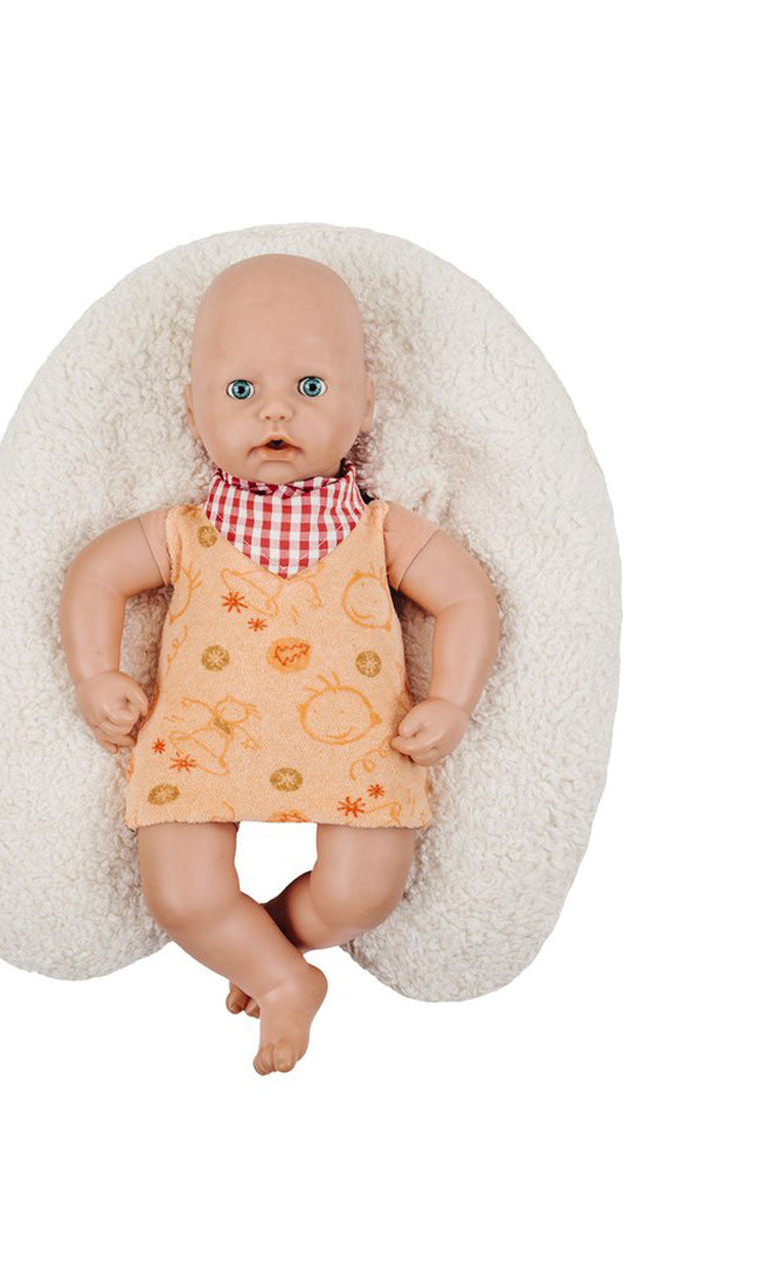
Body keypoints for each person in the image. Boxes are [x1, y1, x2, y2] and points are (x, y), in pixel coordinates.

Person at [59, 254, 502, 1074]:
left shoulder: (378, 530)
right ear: (193, 408)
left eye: (311, 387)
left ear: (364, 404)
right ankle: (283, 978)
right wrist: (96, 675)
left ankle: (263, 947)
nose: (275, 410)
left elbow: (466, 596)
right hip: (203, 741)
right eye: (240, 390)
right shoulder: (185, 531)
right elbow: (95, 575)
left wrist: (452, 700)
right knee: (178, 895)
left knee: (363, 895)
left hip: (358, 744)